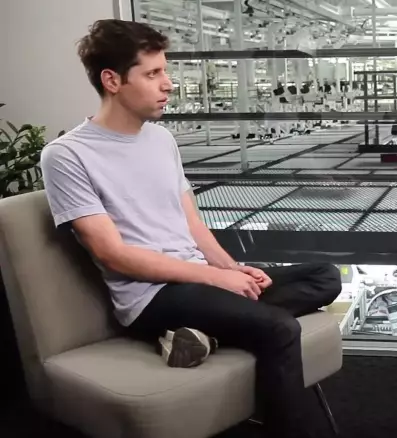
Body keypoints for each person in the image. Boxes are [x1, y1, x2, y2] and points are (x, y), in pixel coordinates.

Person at [40, 19, 341, 438]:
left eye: (164, 71)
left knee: (325, 276)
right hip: (151, 297)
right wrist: (215, 278)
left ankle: (204, 335)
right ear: (112, 80)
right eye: (152, 73)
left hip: (198, 281)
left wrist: (232, 269)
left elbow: (192, 224)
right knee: (279, 328)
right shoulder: (67, 155)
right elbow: (113, 254)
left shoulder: (161, 139)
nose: (168, 84)